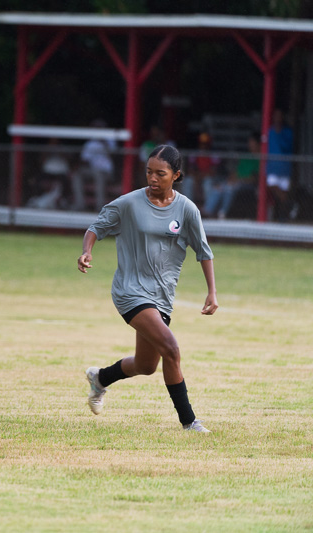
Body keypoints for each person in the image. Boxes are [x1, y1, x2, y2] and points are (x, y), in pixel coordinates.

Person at [77, 144, 218, 433]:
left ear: (176, 175)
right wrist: (86, 251)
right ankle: (189, 421)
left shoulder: (187, 210)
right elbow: (96, 227)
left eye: (161, 174)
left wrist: (212, 292)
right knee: (172, 348)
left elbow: (203, 251)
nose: (153, 178)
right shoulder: (129, 203)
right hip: (130, 291)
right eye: (149, 172)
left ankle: (100, 378)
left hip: (161, 297)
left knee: (146, 365)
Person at [72, 119, 116, 212]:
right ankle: (80, 205)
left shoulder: (110, 139)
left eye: (99, 128)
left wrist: (102, 140)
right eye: (96, 128)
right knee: (77, 175)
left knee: (98, 175)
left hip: (105, 171)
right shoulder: (90, 143)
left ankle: (99, 207)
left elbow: (113, 155)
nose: (97, 129)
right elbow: (84, 160)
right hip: (92, 170)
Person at [266, 109, 294, 221]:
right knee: (271, 186)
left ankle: (284, 217)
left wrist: (280, 134)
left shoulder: (288, 132)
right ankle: (291, 205)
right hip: (273, 167)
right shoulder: (270, 131)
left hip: (284, 167)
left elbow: (287, 147)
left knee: (283, 193)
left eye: (279, 116)